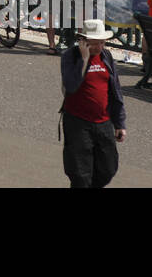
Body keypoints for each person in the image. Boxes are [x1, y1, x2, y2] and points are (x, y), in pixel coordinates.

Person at [60, 19, 127, 187]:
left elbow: (115, 91)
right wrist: (84, 59)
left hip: (103, 122)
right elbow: (71, 86)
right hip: (78, 123)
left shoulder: (106, 56)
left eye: (102, 42)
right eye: (95, 43)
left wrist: (120, 123)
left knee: (108, 169)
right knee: (80, 174)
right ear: (83, 41)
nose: (99, 47)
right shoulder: (70, 57)